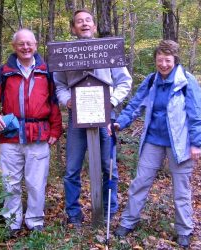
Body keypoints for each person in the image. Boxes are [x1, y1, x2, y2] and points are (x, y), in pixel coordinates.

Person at [110, 40, 201, 248]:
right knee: (140, 182)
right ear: (155, 60)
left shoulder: (186, 82)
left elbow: (196, 114)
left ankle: (184, 230)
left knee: (181, 189)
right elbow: (136, 104)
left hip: (180, 143)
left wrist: (197, 143)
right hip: (153, 140)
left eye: (168, 60)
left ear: (175, 60)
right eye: (160, 60)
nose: (163, 64)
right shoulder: (151, 80)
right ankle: (128, 221)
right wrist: (121, 122)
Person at [53, 9, 132, 227]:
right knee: (72, 169)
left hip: (106, 117)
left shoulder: (108, 51)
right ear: (73, 28)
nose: (84, 24)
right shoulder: (64, 54)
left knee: (110, 167)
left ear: (94, 26)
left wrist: (112, 102)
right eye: (79, 21)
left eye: (88, 20)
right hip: (77, 118)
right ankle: (74, 215)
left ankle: (108, 212)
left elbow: (125, 82)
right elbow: (59, 84)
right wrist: (67, 100)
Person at [0, 28, 63, 236]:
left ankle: (35, 221)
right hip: (10, 136)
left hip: (39, 134)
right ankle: (11, 221)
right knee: (9, 182)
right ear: (14, 47)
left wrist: (56, 128)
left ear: (36, 45)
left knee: (36, 183)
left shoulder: (47, 71)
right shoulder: (5, 72)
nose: (25, 47)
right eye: (21, 44)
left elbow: (54, 103)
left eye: (29, 43)